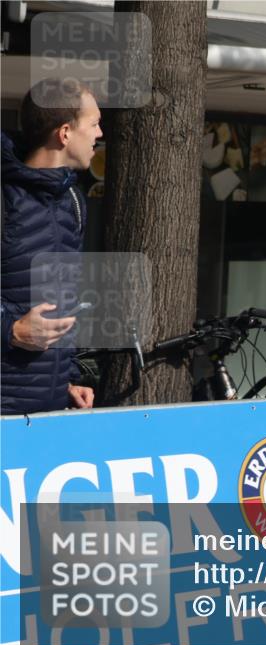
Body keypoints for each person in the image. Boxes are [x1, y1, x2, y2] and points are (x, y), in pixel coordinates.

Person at [1, 78, 100, 415]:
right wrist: (11, 330)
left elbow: (59, 304)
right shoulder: (4, 198)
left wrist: (65, 382)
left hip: (47, 414)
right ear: (65, 133)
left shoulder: (73, 200)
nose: (100, 135)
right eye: (94, 124)